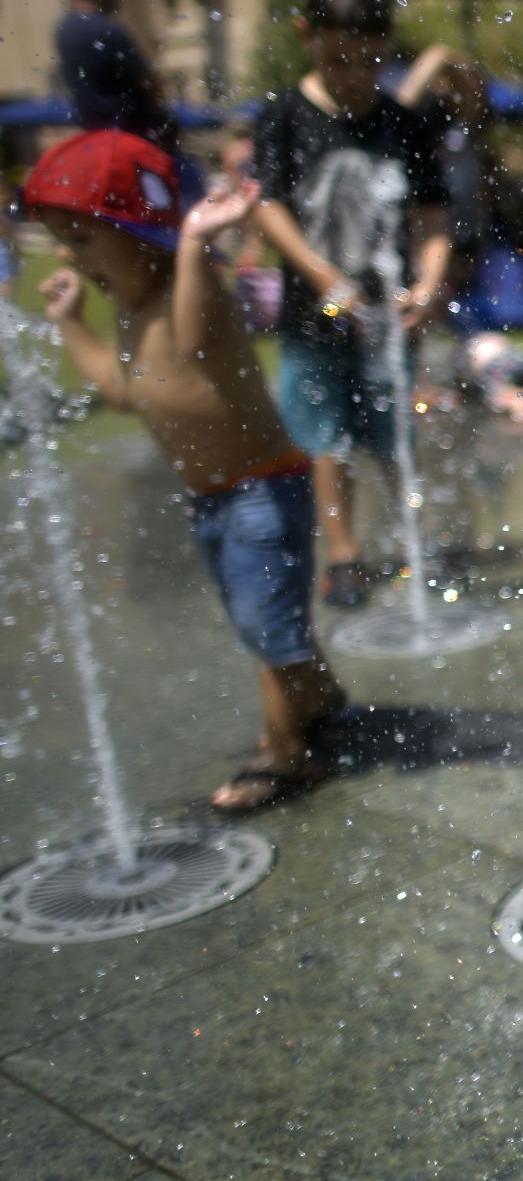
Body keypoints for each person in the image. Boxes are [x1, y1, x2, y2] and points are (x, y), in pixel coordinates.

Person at [20, 130, 347, 811]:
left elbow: (194, 344)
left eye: (80, 238)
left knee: (265, 627)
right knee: (260, 619)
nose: (67, 256)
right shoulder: (135, 311)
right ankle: (317, 695)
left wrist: (196, 244)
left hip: (264, 489)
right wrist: (72, 322)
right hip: (214, 500)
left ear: (135, 231)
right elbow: (123, 389)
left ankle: (285, 755)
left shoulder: (191, 289)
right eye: (61, 239)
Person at [253, 0, 451, 608]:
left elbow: (431, 217)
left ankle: (413, 545)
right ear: (306, 36)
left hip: (388, 320)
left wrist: (427, 281)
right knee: (326, 442)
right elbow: (269, 207)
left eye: (371, 60)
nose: (356, 74)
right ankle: (344, 556)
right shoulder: (284, 116)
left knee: (394, 436)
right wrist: (325, 276)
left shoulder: (404, 124)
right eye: (340, 58)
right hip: (313, 319)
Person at [55, 0, 177, 154]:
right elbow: (146, 82)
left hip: (92, 136)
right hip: (130, 135)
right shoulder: (106, 29)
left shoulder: (64, 29)